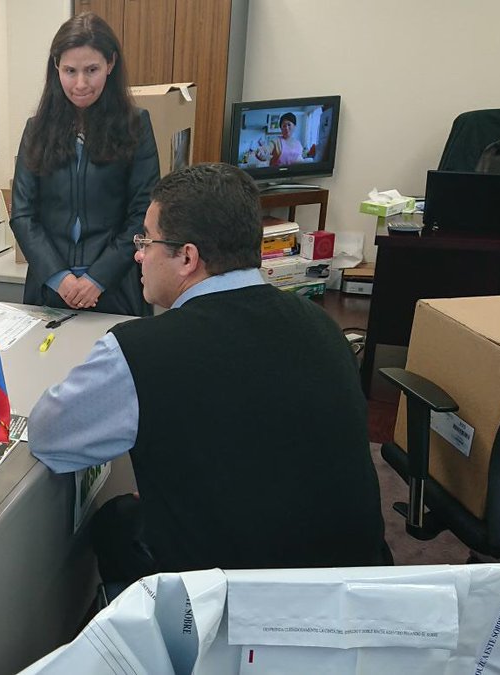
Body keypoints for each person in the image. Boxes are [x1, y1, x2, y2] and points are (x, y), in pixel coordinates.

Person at [28, 163, 387, 585]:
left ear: (187, 257)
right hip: (357, 588)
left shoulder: (141, 351)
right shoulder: (321, 324)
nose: (139, 254)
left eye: (147, 241)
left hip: (236, 602)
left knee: (117, 521)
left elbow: (49, 435)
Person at [10, 12, 159, 317]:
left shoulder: (135, 125)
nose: (80, 83)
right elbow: (23, 215)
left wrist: (97, 279)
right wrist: (60, 278)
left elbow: (142, 214)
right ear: (56, 67)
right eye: (70, 71)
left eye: (91, 70)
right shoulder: (36, 129)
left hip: (116, 287)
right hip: (49, 289)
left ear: (110, 64)